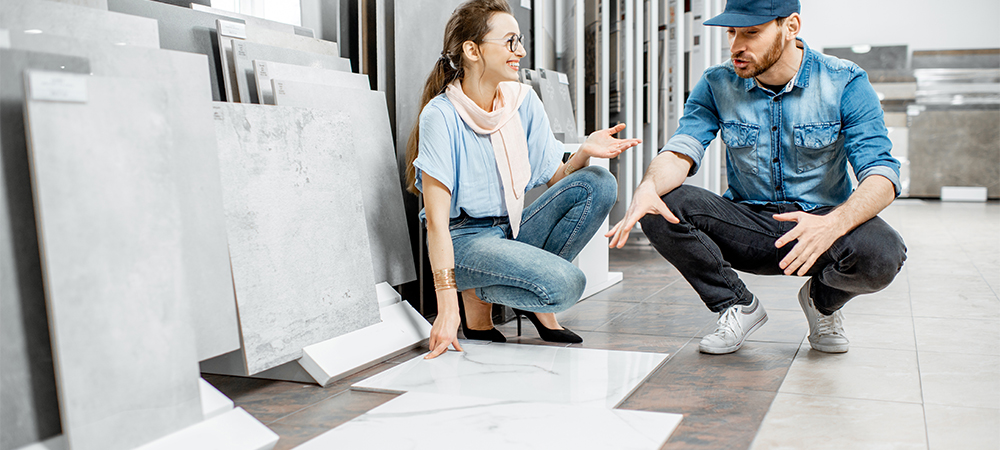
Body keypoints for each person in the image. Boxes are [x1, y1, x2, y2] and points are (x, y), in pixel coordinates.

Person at [607, 0, 906, 355]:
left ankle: (821, 302)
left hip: (819, 229)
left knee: (884, 252)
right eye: (732, 32)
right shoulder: (717, 83)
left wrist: (834, 223)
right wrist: (647, 187)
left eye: (751, 33)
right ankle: (737, 305)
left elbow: (881, 172)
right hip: (749, 226)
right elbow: (682, 148)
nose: (736, 46)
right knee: (659, 205)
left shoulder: (844, 81)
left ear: (791, 26)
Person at [405, 0, 642, 360]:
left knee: (598, 182)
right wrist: (446, 306)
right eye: (510, 42)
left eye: (520, 41)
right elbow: (436, 224)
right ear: (472, 50)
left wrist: (584, 151)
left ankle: (514, 292)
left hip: (512, 228)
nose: (522, 51)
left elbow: (556, 178)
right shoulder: (441, 116)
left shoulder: (521, 101)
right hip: (464, 240)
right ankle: (479, 297)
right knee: (568, 284)